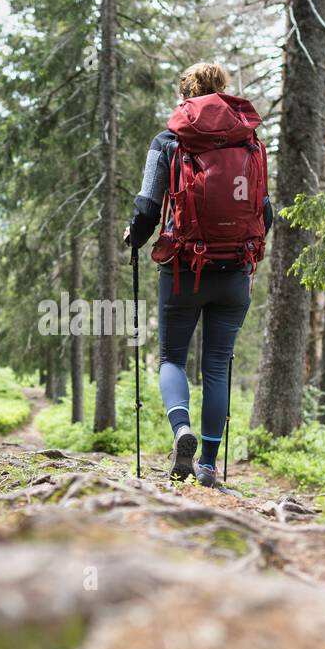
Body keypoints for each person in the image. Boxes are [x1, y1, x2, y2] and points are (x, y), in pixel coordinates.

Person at [123, 62, 272, 486]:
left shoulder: (169, 140)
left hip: (183, 269)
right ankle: (207, 465)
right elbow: (265, 213)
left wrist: (134, 236)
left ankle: (180, 430)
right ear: (222, 90)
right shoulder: (249, 141)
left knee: (172, 357)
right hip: (234, 270)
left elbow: (148, 207)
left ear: (185, 95)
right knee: (217, 366)